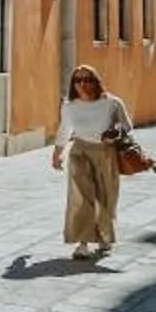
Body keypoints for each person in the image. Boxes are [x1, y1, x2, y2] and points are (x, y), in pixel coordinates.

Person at [50, 63, 134, 260]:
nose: (82, 84)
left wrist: (115, 132)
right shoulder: (69, 106)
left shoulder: (112, 103)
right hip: (79, 151)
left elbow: (127, 126)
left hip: (106, 152)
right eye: (78, 80)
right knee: (80, 197)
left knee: (106, 197)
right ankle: (83, 243)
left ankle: (105, 236)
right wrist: (57, 154)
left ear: (96, 82)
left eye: (88, 79)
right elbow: (64, 130)